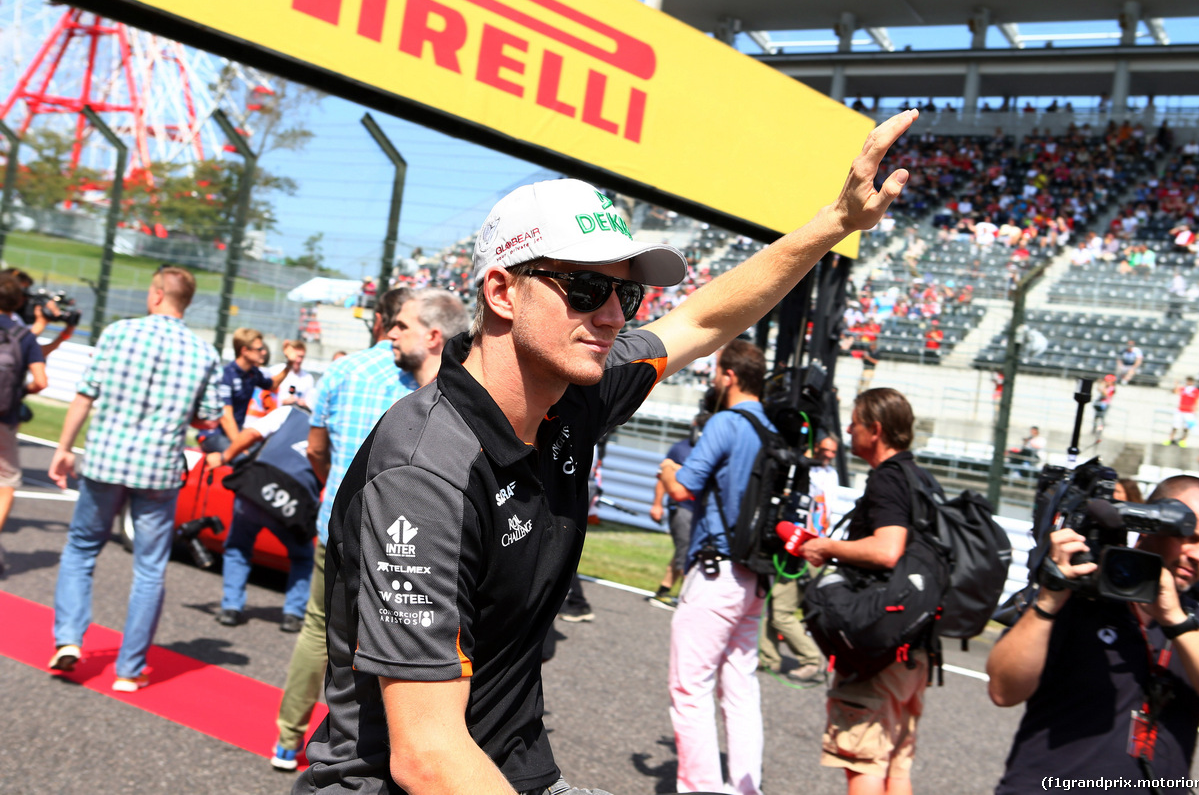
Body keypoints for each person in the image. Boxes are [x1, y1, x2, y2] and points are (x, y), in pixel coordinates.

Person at [297, 109, 919, 795]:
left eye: (626, 292)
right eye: (588, 288)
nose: (616, 315)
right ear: (502, 290)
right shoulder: (426, 466)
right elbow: (426, 753)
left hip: (512, 767)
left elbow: (703, 319)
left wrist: (837, 222)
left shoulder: (574, 390)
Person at [270, 286, 466, 772]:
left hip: (338, 524)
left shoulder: (345, 368)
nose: (395, 331)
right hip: (407, 540)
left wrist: (332, 486)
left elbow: (315, 447)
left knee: (320, 633)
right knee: (398, 646)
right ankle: (379, 752)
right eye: (395, 323)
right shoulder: (440, 384)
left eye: (402, 324)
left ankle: (287, 739)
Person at [986, 476, 1199, 791]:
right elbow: (1003, 691)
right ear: (1149, 524)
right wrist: (1049, 598)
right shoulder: (1075, 594)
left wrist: (1176, 621)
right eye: (1189, 537)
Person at [46, 267, 222, 691]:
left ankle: (69, 638)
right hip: (158, 468)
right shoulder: (204, 353)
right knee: (149, 568)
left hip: (106, 460)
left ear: (158, 294)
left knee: (82, 547)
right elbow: (207, 418)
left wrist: (64, 447)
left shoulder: (118, 333)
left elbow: (86, 394)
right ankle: (129, 668)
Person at [795, 389, 933, 794]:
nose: (849, 429)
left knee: (862, 760)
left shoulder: (888, 478)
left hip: (880, 648)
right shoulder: (918, 476)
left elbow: (888, 549)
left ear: (875, 429)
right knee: (896, 766)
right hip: (914, 647)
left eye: (854, 422)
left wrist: (826, 547)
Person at [656, 340, 775, 793]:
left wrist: (668, 473)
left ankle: (701, 788)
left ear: (728, 375)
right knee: (740, 688)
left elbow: (685, 489)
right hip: (753, 572)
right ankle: (747, 787)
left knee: (691, 687)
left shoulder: (727, 422)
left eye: (715, 372)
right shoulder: (770, 426)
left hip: (716, 567)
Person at [210, 399, 320, 631]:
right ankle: (293, 614)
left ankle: (231, 608)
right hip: (294, 502)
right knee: (302, 558)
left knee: (238, 548)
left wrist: (223, 457)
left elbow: (250, 434)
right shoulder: (331, 428)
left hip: (256, 489)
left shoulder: (288, 413)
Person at [758, 433, 834, 682]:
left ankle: (811, 659)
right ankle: (768, 658)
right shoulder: (806, 471)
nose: (829, 456)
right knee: (775, 602)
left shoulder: (827, 475)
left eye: (833, 452)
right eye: (825, 450)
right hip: (797, 544)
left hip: (808, 549)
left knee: (782, 611)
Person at [0, 274, 47, 577]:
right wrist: (21, 390)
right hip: (4, 417)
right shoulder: (23, 336)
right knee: (6, 482)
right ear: (19, 302)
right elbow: (41, 381)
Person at [646, 413, 707, 611]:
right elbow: (662, 476)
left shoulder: (709, 450)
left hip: (701, 511)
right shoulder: (680, 448)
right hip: (682, 509)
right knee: (686, 555)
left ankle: (663, 592)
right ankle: (687, 600)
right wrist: (657, 504)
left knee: (685, 552)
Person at [200, 327, 287, 454]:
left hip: (234, 434)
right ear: (244, 351)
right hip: (213, 435)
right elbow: (226, 417)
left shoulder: (253, 373)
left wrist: (289, 364)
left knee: (264, 455)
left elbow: (272, 385)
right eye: (259, 349)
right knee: (243, 459)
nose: (263, 352)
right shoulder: (227, 374)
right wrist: (240, 448)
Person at [1167, 376, 1199, 447]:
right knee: (1175, 425)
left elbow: (1197, 401)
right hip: (1180, 410)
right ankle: (1170, 438)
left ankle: (1183, 440)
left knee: (1187, 427)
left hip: (1189, 411)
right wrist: (1176, 385)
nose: (1189, 382)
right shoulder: (1183, 389)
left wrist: (1195, 411)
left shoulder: (1196, 391)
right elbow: (1175, 392)